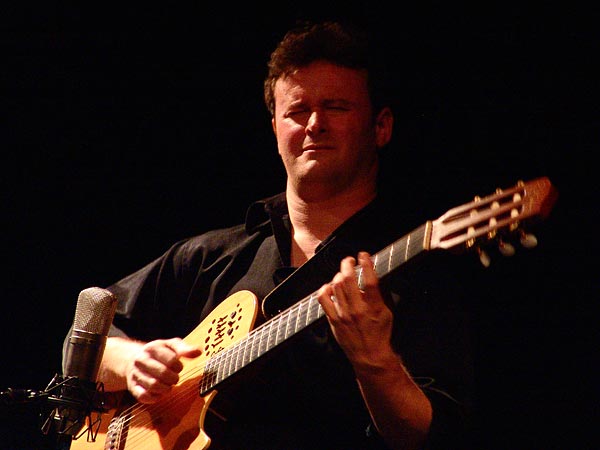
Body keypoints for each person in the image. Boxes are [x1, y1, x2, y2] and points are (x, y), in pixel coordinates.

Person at [65, 19, 473, 449]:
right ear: (275, 127)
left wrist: (376, 363)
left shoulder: (420, 269)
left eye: (336, 107)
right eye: (297, 110)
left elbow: (435, 436)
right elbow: (90, 336)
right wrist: (133, 363)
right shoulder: (211, 255)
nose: (314, 124)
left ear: (381, 126)